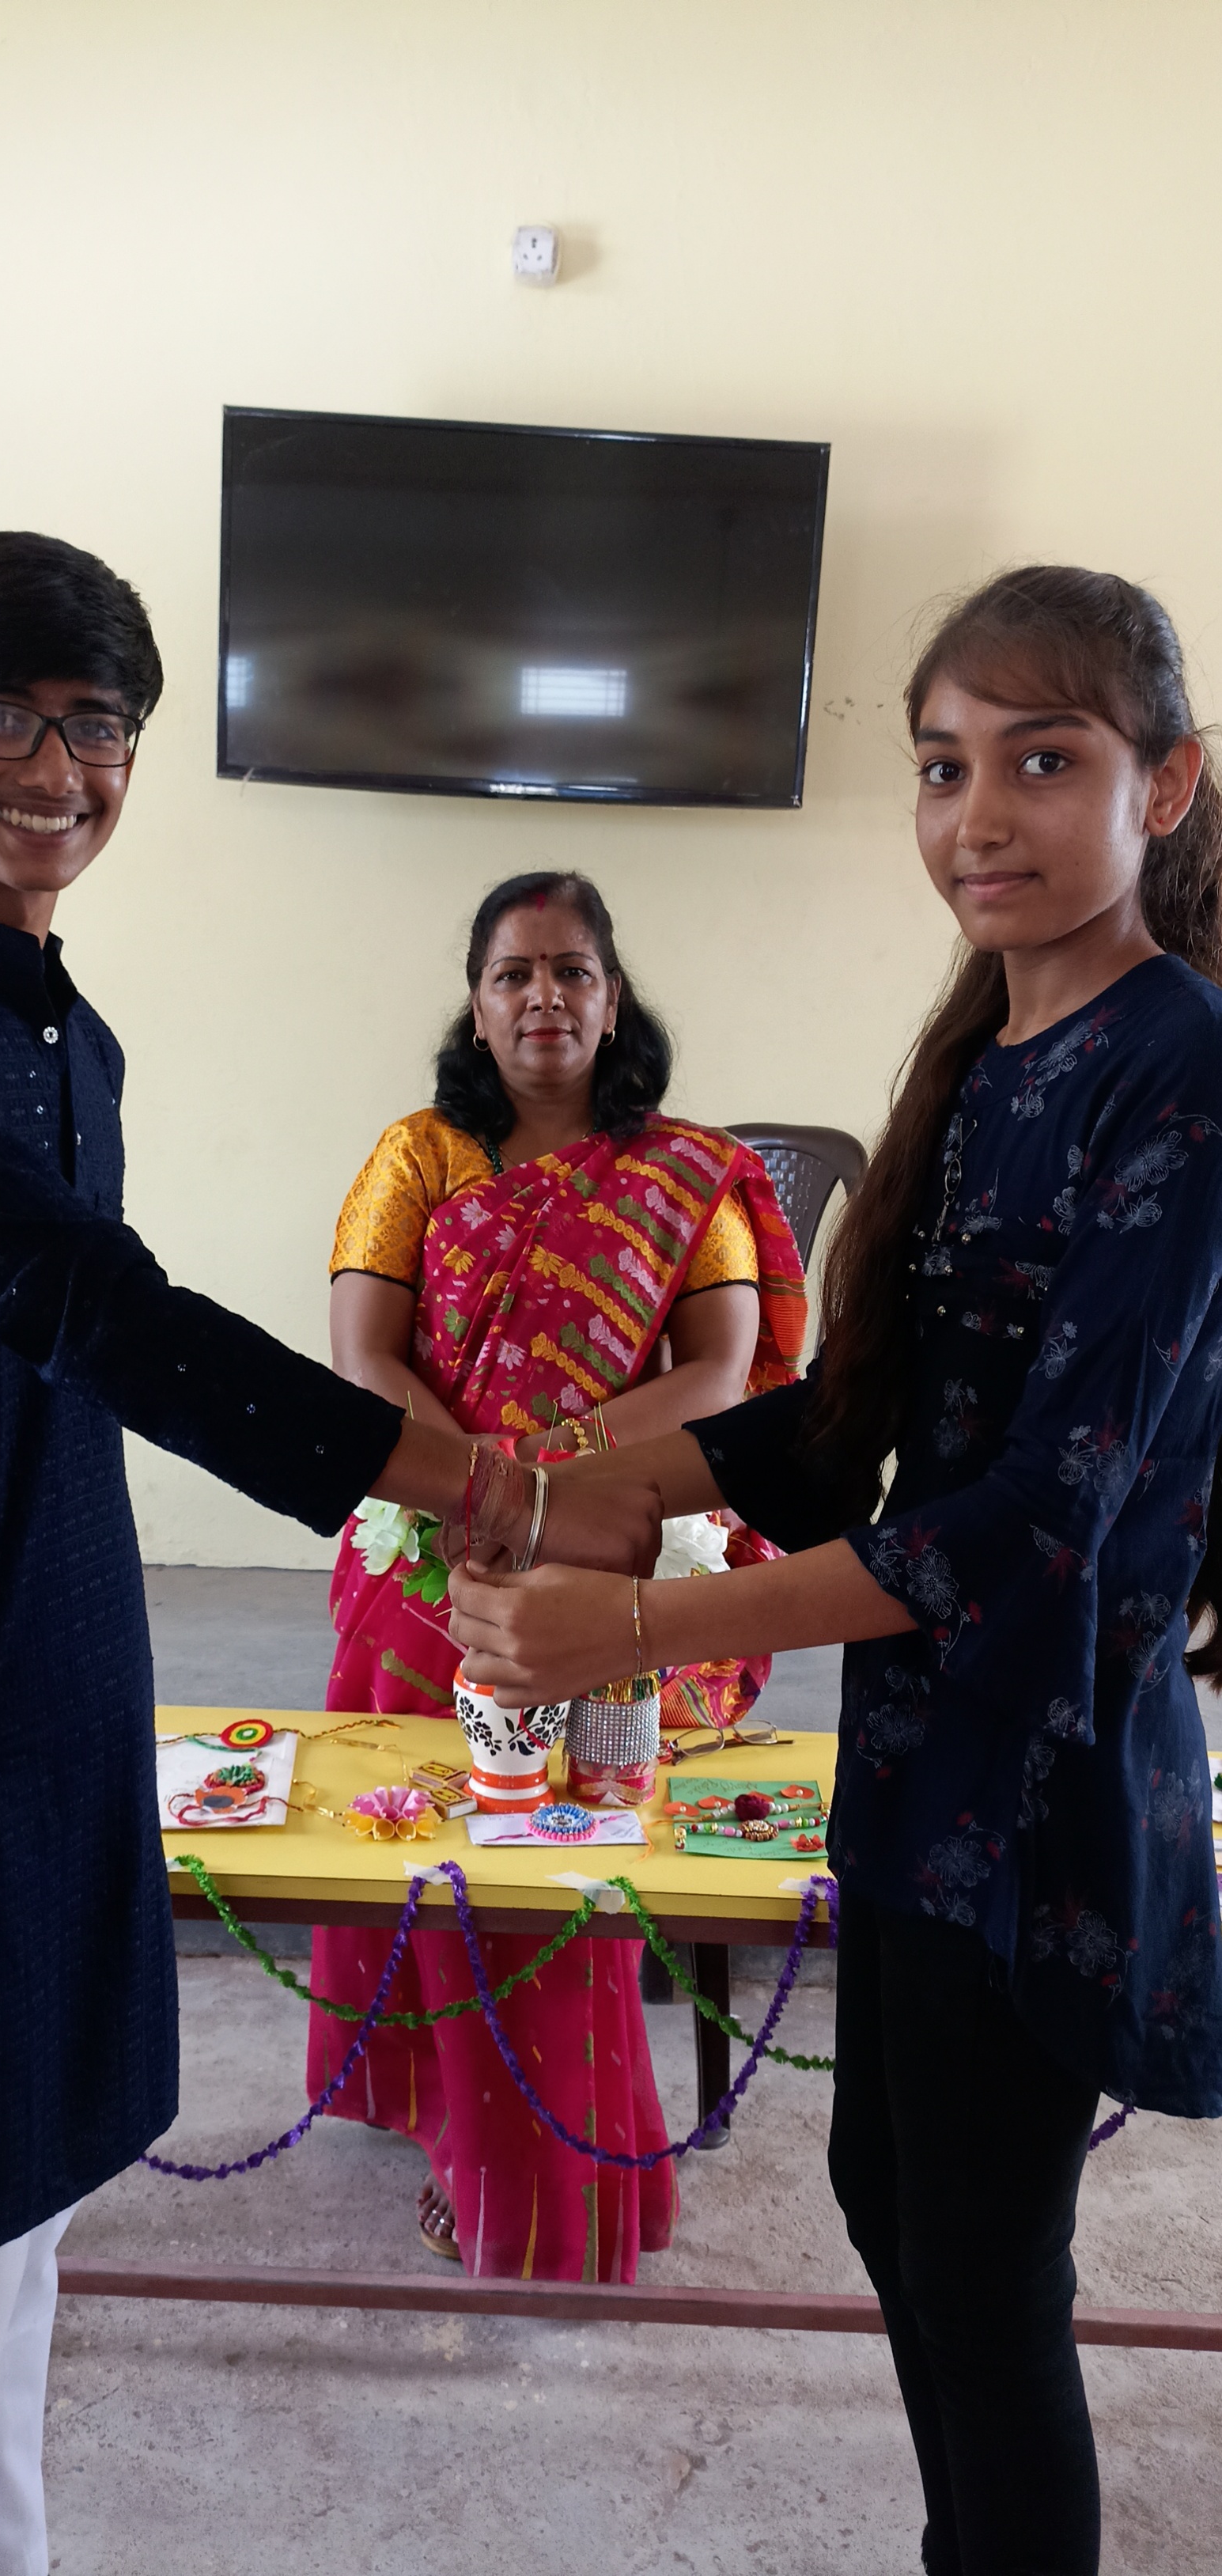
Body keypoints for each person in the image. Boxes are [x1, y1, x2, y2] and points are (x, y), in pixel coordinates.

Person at [0, 533, 657, 2576]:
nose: (57, 768)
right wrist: (490, 1490)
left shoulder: (64, 1037)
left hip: (76, 1682)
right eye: (6, 718)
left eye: (100, 725)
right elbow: (95, 1312)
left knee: (23, 2243)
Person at [448, 568, 1222, 2576]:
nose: (979, 814)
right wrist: (561, 1481)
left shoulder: (1179, 1064)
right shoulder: (987, 1056)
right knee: (892, 2198)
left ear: (1165, 785)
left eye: (1043, 760)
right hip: (911, 1755)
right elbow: (851, 1417)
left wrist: (636, 1620)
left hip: (1042, 1778)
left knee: (986, 2269)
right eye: (944, 766)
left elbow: (1036, 1516)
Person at [308, 869, 805, 2275]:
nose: (544, 996)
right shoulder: (417, 1156)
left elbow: (717, 1375)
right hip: (438, 1515)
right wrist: (477, 1486)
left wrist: (551, 1476)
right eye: (514, 974)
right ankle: (433, 2099)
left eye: (572, 970)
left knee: (566, 1798)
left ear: (613, 997)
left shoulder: (689, 1172)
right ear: (476, 1007)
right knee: (422, 1717)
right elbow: (364, 1358)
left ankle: (541, 2144)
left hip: (621, 1527)